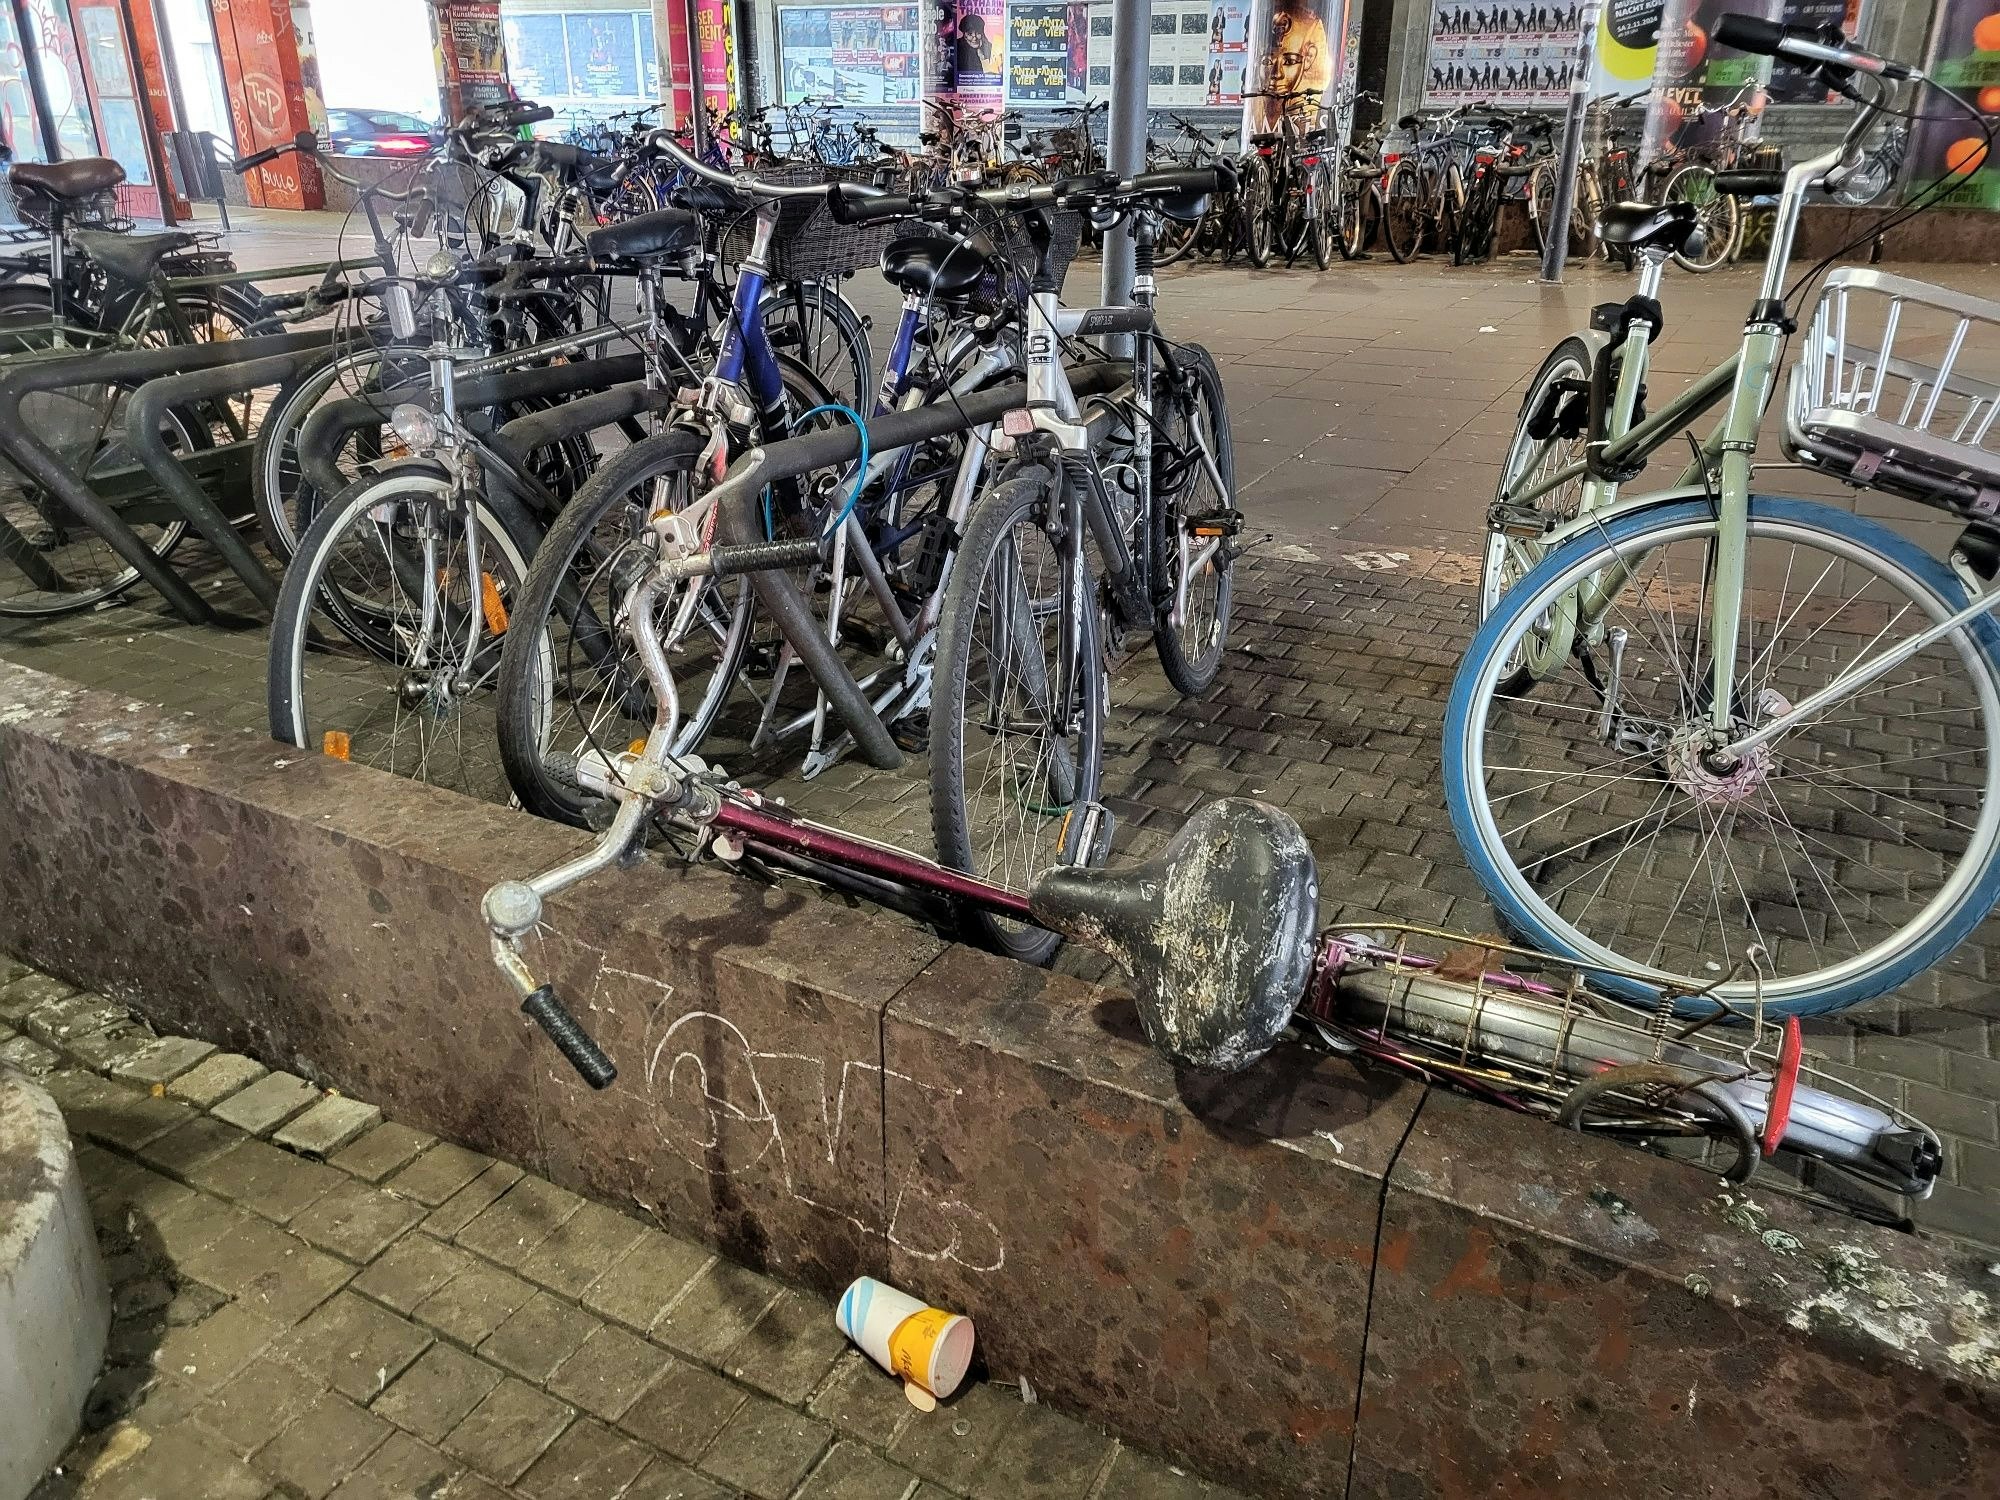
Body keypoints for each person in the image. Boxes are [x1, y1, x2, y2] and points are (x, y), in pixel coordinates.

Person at [956, 11, 993, 81]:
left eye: (978, 33)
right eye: (970, 34)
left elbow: (991, 76)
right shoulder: (957, 46)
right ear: (964, 34)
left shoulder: (989, 47)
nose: (975, 38)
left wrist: (983, 59)